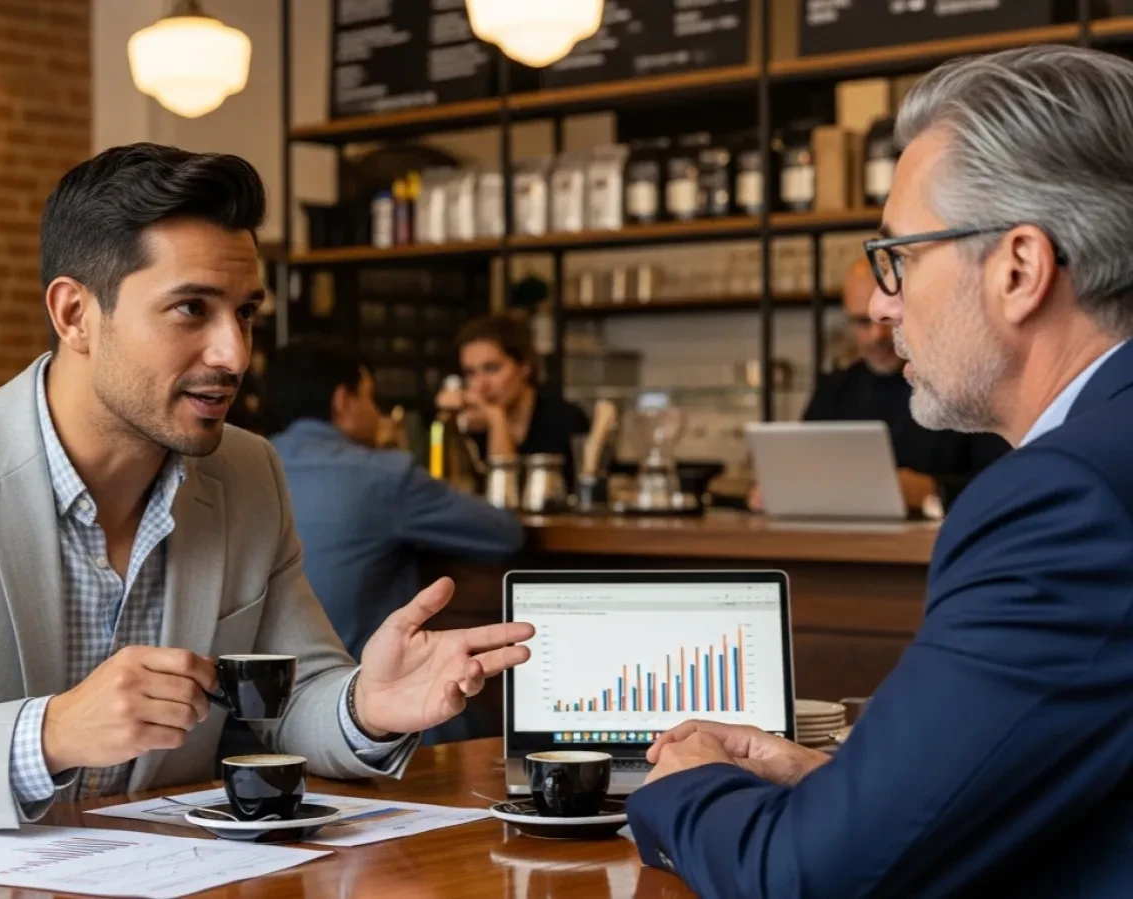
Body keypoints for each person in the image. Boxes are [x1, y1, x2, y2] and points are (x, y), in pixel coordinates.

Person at [628, 46, 1133, 898]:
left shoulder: (1066, 499)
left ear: (1019, 268)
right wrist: (842, 784)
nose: (877, 302)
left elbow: (807, 880)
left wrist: (685, 787)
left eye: (900, 255)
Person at [0, 143, 533, 833]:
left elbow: (293, 699)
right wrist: (50, 733)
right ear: (75, 315)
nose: (235, 354)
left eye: (245, 313)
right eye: (191, 308)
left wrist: (366, 702)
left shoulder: (248, 472)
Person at [266, 339, 524, 665]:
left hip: (256, 699)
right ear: (344, 401)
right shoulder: (384, 475)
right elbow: (505, 534)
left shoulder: (242, 464)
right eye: (371, 397)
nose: (378, 413)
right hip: (358, 692)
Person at [801, 258, 1009, 512]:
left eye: (886, 321)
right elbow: (802, 471)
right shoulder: (833, 389)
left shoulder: (963, 385)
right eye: (862, 322)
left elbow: (1008, 481)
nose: (877, 336)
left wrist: (935, 490)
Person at [437, 314, 590, 487]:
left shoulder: (564, 420)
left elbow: (506, 492)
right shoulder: (470, 426)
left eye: (492, 369)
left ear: (524, 366)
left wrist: (496, 418)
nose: (480, 385)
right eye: (470, 373)